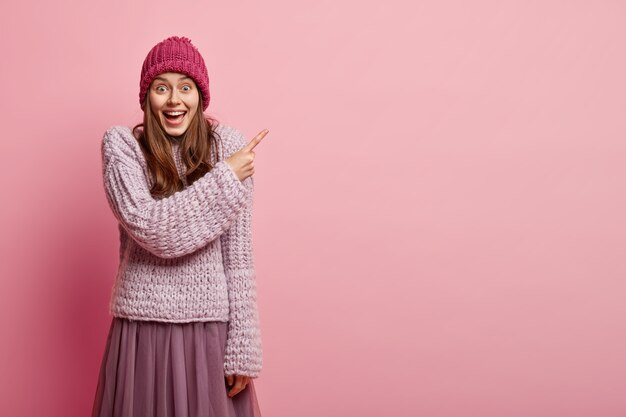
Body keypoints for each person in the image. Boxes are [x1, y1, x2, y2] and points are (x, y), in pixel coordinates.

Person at [91, 35, 268, 417]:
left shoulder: (227, 148)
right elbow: (154, 230)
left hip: (209, 336)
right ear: (146, 97)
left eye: (185, 88)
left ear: (200, 97)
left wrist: (245, 348)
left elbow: (237, 257)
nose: (174, 100)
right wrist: (225, 179)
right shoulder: (122, 147)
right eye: (161, 88)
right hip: (141, 334)